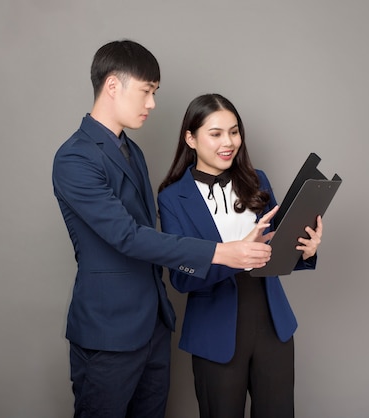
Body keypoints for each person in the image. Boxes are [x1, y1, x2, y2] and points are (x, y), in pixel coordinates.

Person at [52, 41, 275, 418]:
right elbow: (127, 236)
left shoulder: (132, 151)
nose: (152, 103)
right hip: (108, 331)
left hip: (153, 326)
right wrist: (223, 252)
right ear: (112, 86)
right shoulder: (74, 157)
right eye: (146, 91)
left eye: (155, 93)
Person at [157, 93, 324, 418]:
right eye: (216, 133)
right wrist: (235, 256)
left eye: (234, 131)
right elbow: (180, 276)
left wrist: (306, 248)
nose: (228, 142)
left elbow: (279, 247)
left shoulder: (257, 179)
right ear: (190, 138)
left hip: (273, 326)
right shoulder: (172, 198)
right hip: (213, 332)